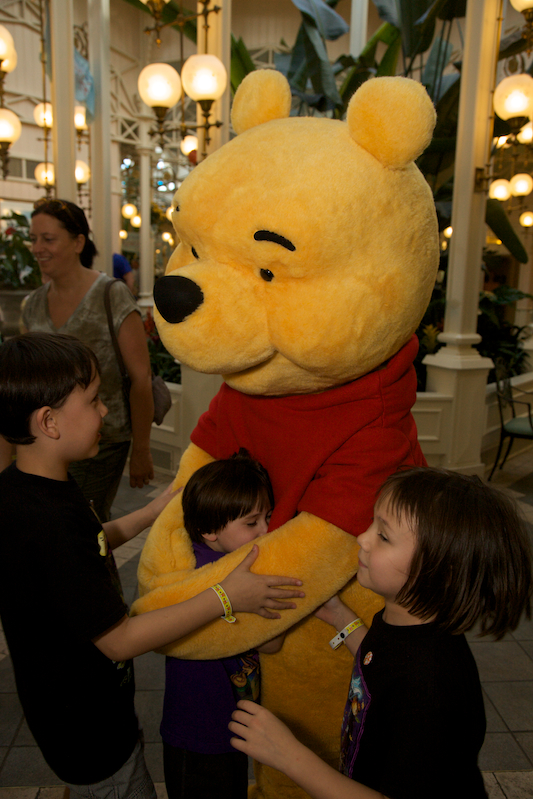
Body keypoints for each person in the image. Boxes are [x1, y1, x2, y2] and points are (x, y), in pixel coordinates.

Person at [0, 332, 305, 799]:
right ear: (49, 421)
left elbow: (90, 542)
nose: (105, 410)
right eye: (93, 400)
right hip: (88, 731)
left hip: (76, 713)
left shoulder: (26, 489)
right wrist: (226, 596)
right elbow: (120, 640)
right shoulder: (48, 522)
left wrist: (150, 512)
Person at [229, 467, 533, 799]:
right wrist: (341, 618)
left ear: (440, 571)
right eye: (372, 523)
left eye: (384, 536)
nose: (363, 538)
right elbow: (383, 663)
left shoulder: (430, 685)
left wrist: (290, 756)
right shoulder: (406, 624)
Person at [19, 198, 153, 521]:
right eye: (34, 239)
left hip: (102, 441)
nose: (38, 248)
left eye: (48, 239)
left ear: (78, 242)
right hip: (46, 442)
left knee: (82, 523)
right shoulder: (32, 305)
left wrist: (141, 449)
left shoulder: (111, 294)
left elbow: (141, 379)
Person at [162, 449, 285, 799]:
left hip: (233, 726)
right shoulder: (209, 576)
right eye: (251, 523)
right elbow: (271, 642)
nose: (266, 530)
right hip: (198, 734)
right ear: (209, 530)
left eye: (268, 517)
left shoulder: (219, 557)